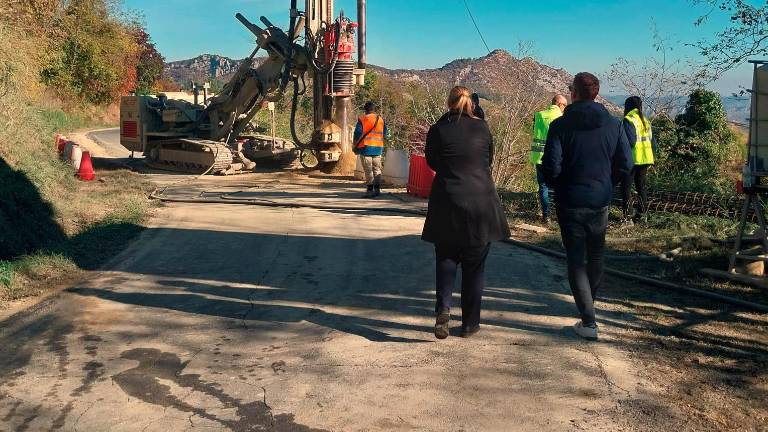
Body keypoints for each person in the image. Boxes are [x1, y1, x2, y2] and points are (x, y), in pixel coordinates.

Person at [541, 73, 632, 341]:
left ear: (575, 93)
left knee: (575, 258)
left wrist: (558, 185)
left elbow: (551, 166)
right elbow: (626, 164)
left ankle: (588, 319)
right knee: (595, 255)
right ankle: (588, 307)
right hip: (600, 199)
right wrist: (607, 183)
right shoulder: (614, 125)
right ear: (596, 93)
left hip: (569, 200)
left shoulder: (560, 126)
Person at [422, 86, 511, 340]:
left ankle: (443, 308)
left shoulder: (439, 129)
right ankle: (470, 323)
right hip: (481, 203)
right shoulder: (482, 128)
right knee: (475, 266)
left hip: (447, 199)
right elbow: (488, 160)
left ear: (448, 103)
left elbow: (432, 161)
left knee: (446, 257)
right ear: (470, 104)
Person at [531, 95, 568, 224]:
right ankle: (561, 215)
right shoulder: (561, 118)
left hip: (538, 156)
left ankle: (546, 216)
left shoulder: (539, 115)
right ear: (559, 104)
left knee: (543, 187)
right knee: (560, 186)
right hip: (555, 158)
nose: (565, 108)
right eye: (564, 105)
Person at [621, 96, 657, 222]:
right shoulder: (645, 120)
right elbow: (653, 143)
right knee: (641, 187)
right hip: (646, 159)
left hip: (633, 160)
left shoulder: (629, 119)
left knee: (626, 188)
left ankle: (628, 217)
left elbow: (629, 142)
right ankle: (642, 216)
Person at [353, 101, 387, 198]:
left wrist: (355, 144)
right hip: (378, 148)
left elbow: (358, 133)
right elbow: (385, 132)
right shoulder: (380, 119)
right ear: (374, 109)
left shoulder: (363, 119)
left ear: (365, 110)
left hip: (366, 147)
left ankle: (369, 190)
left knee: (368, 170)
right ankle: (377, 189)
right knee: (377, 169)